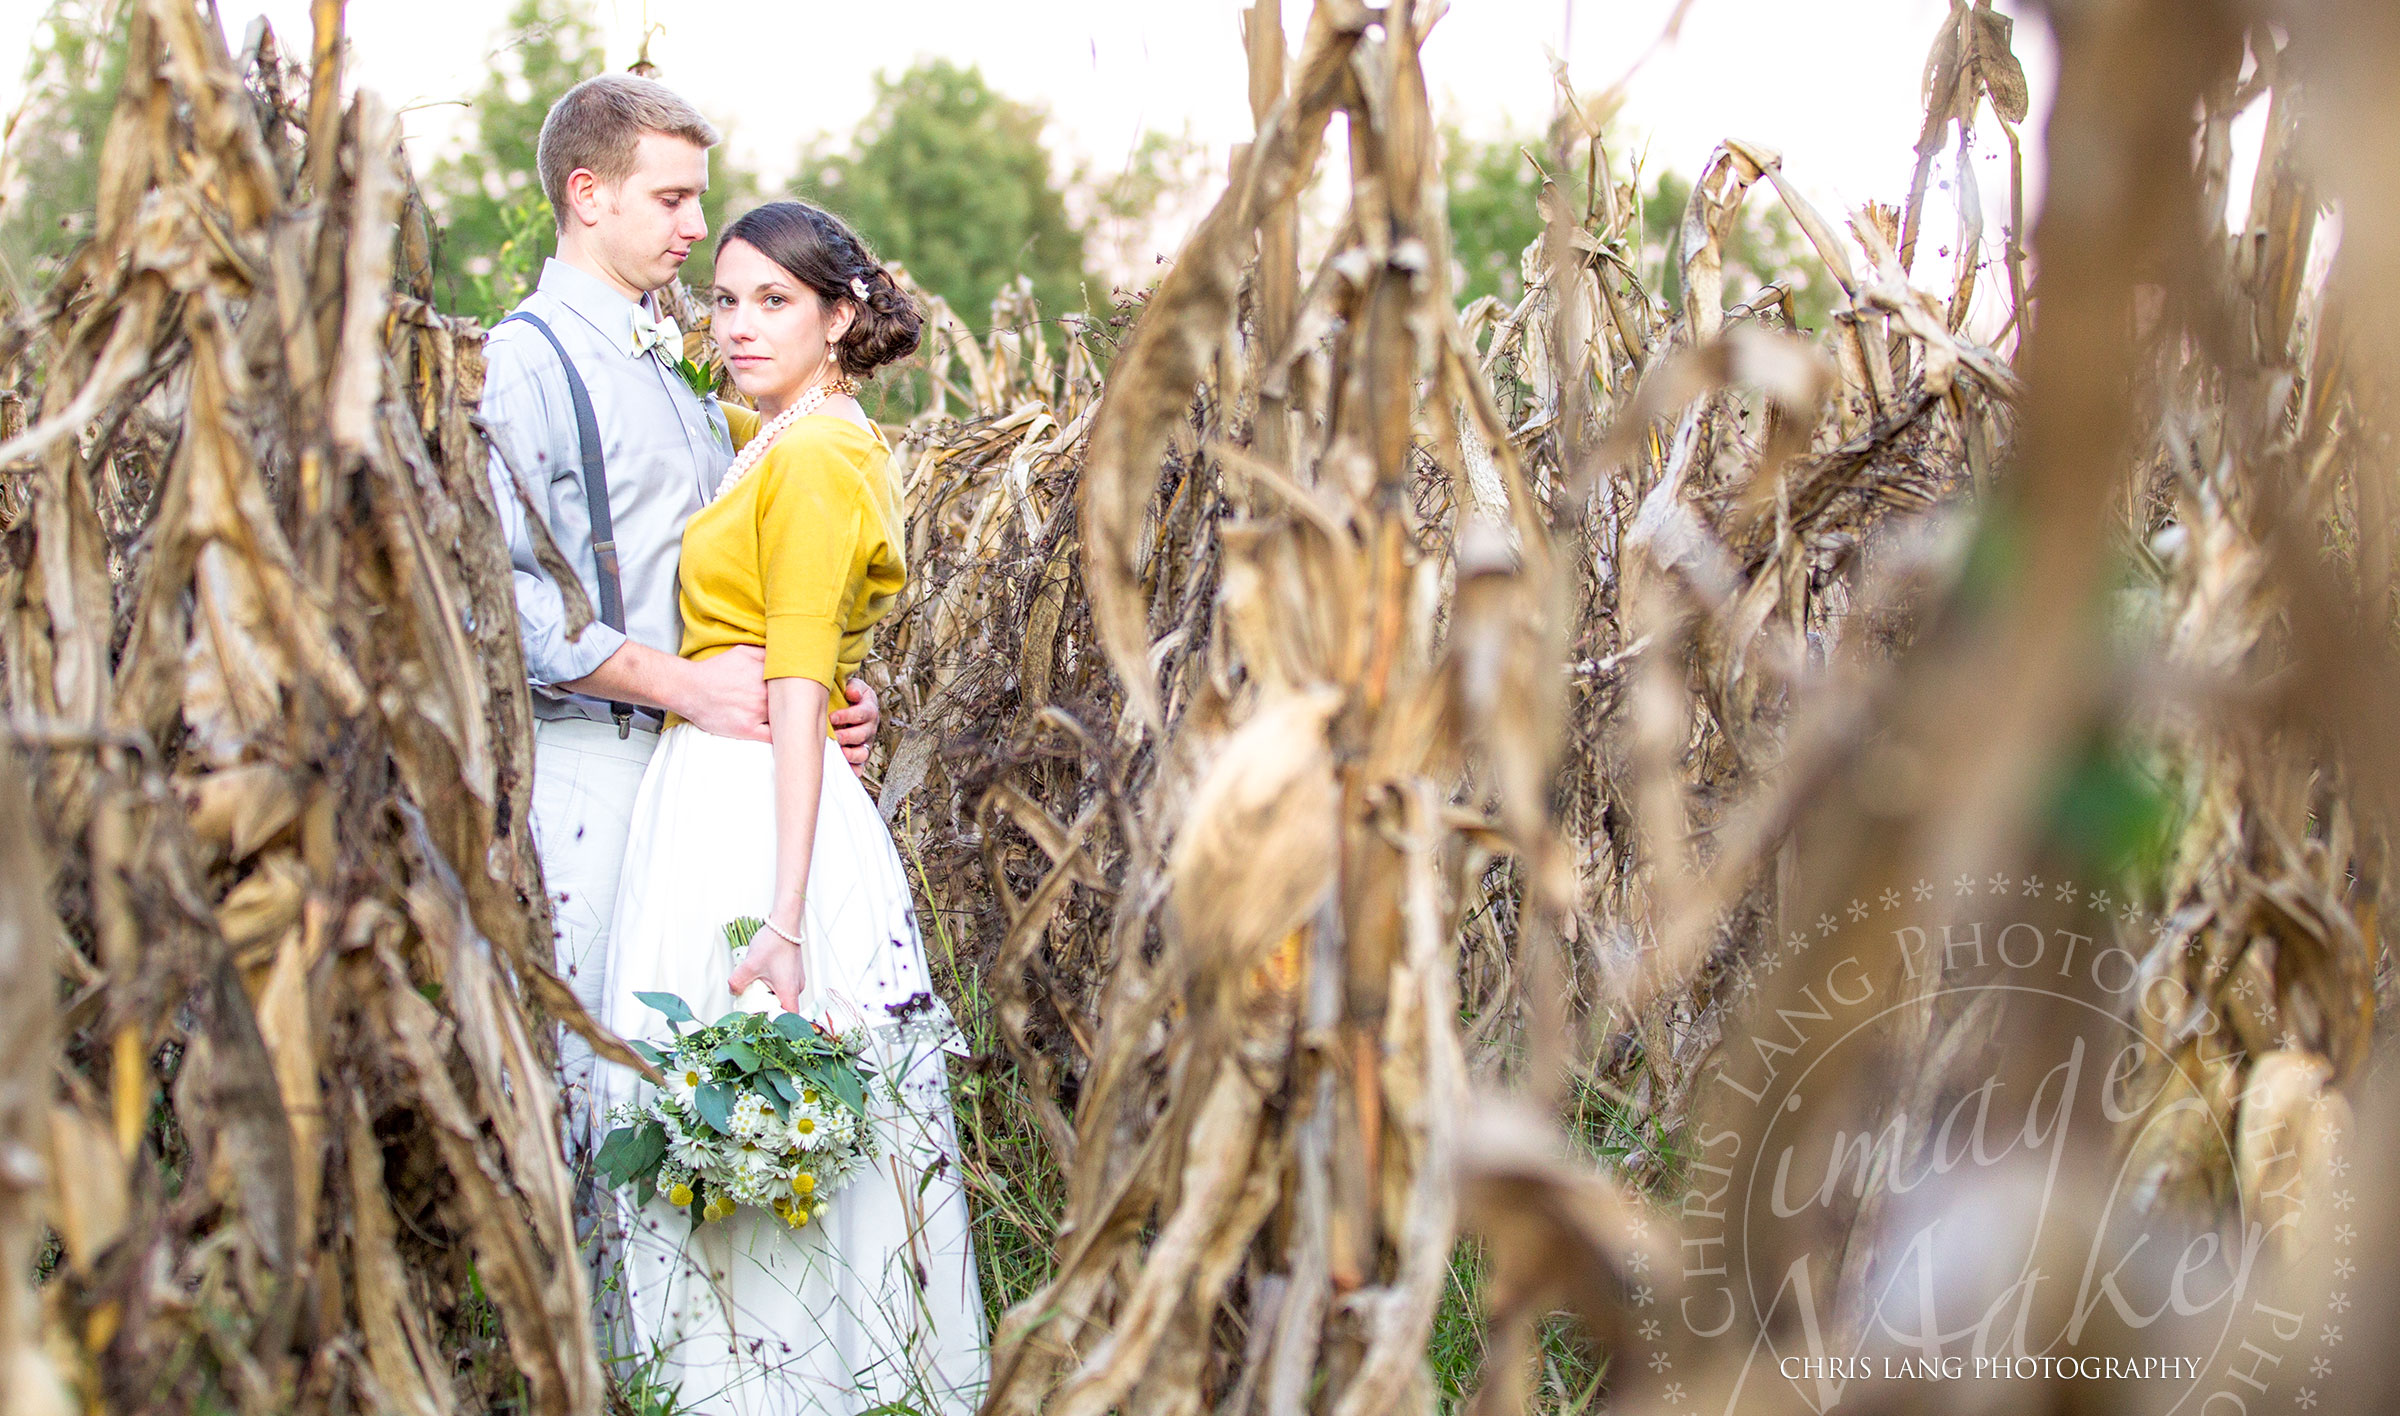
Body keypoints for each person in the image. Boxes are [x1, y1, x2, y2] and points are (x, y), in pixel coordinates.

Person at [479, 73, 882, 1333]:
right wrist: (690, 689)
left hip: (702, 769)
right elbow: (506, 598)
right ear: (584, 195)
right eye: (669, 199)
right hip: (594, 761)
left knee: (685, 1071)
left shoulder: (685, 371)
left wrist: (813, 692)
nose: (688, 227)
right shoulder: (525, 359)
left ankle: (714, 1352)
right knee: (602, 1076)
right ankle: (599, 1358)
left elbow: (757, 579)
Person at [596, 201, 985, 1414]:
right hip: (716, 780)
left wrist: (787, 911)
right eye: (725, 297)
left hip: (764, 805)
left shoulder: (817, 453)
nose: (741, 323)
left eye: (776, 300)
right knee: (721, 1114)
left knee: (764, 1097)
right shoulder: (770, 435)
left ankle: (784, 1387)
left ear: (841, 317)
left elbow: (801, 676)